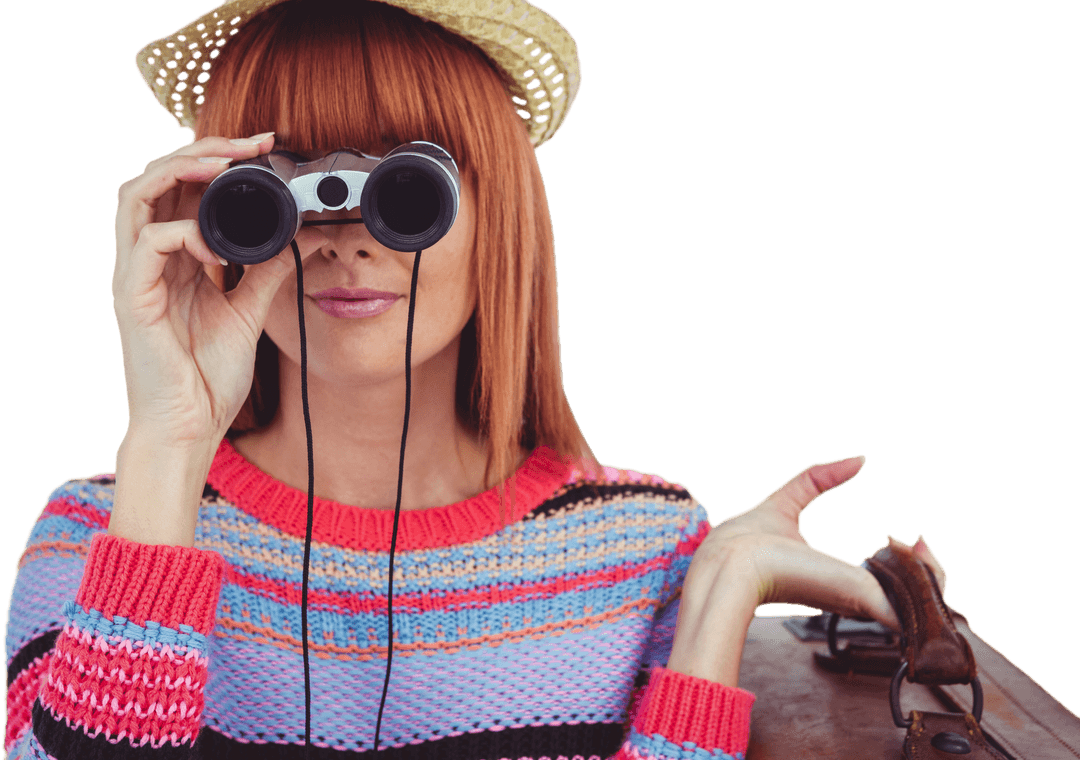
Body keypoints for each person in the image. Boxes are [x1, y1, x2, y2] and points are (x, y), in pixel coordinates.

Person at [3, 0, 949, 758]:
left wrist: (719, 598)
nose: (347, 239)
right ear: (219, 212)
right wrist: (169, 446)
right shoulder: (98, 535)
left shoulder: (645, 550)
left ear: (499, 208)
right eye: (283, 186)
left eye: (406, 187)